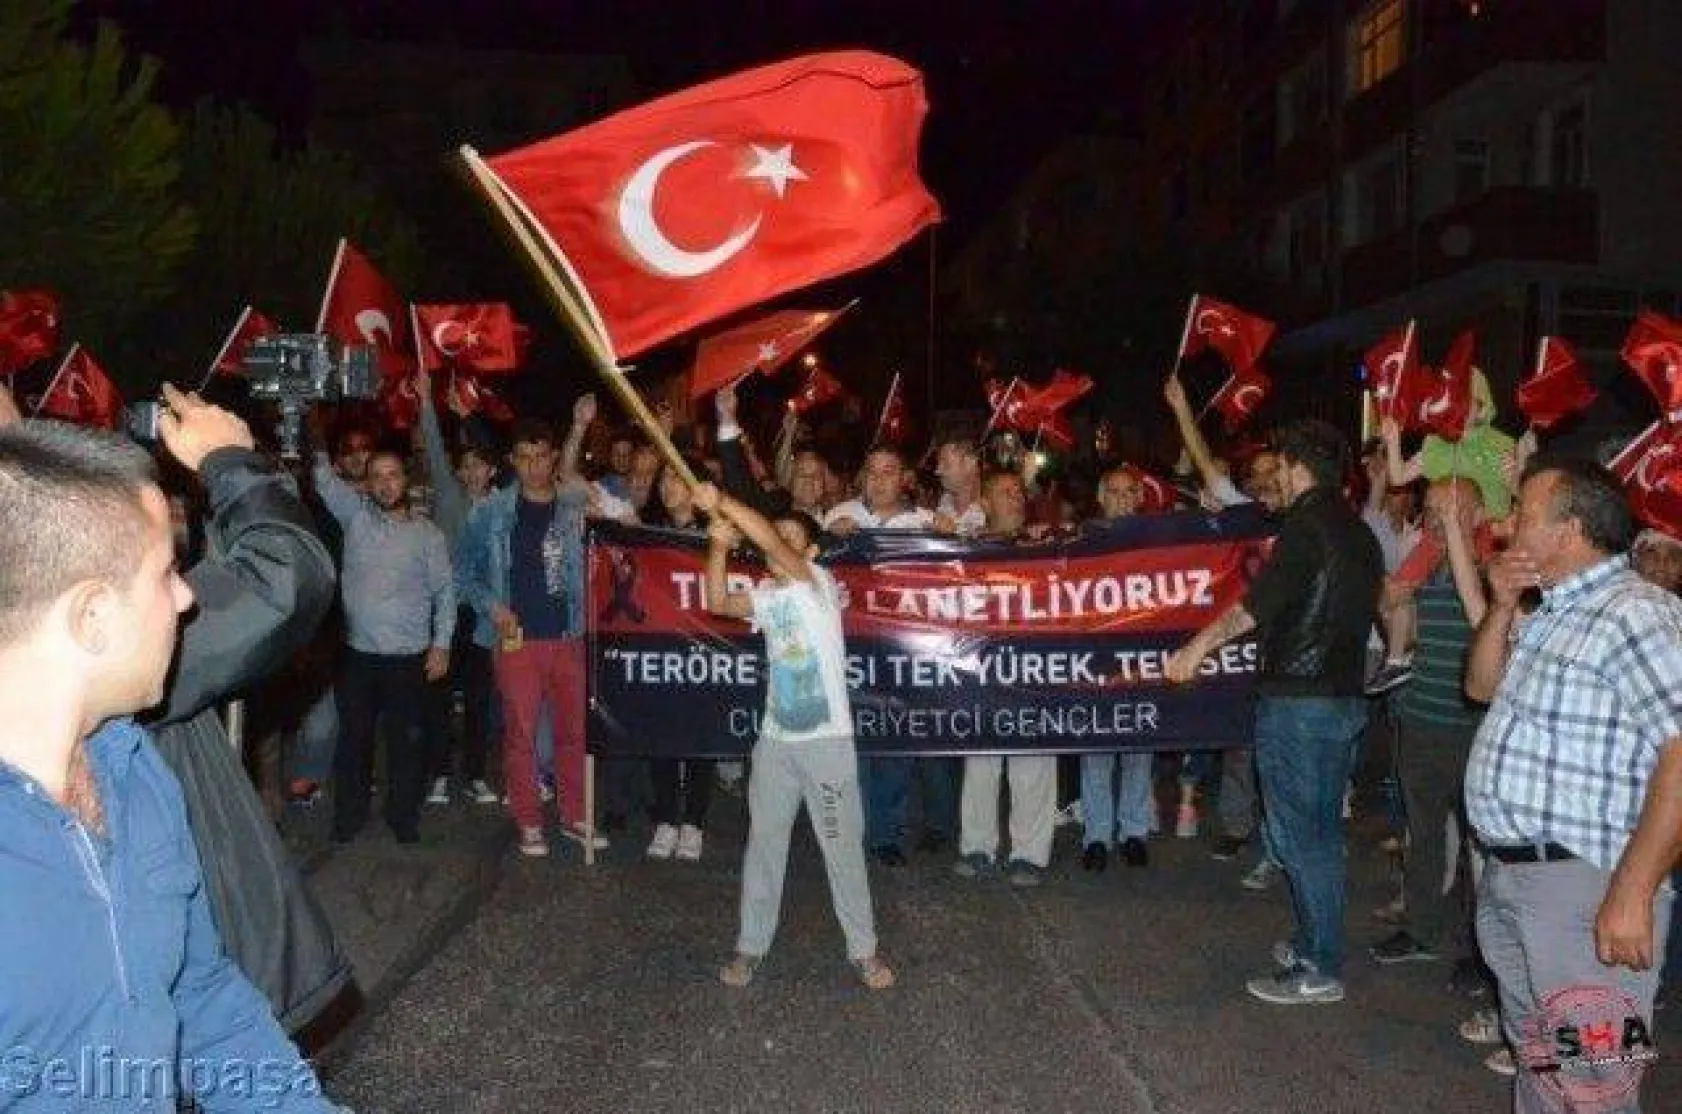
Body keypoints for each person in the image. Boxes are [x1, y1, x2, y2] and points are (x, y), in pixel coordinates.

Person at [0, 407, 342, 1111]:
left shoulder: (131, 766)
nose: (188, 598)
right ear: (92, 618)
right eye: (165, 575)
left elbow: (202, 996)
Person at [1464, 459, 1681, 1113]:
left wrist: (1634, 891)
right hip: (1517, 878)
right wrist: (1501, 608)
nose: (1507, 526)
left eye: (1524, 515)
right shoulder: (1556, 611)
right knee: (1544, 1064)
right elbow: (1480, 687)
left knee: (1593, 1085)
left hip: (1584, 887)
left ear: (1570, 530)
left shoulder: (1637, 613)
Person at [1168, 419, 1383, 1005]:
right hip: (1339, 700)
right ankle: (1316, 939)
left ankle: (1320, 965)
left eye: (1280, 467)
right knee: (1319, 833)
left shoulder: (1306, 528)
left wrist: (1195, 649)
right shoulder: (1357, 531)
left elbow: (1253, 608)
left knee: (1302, 837)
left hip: (1300, 703)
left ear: (1296, 467)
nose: (1275, 480)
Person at [692, 482, 894, 991]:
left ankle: (864, 949)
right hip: (775, 743)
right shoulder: (768, 598)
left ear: (810, 552)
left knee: (841, 849)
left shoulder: (817, 585)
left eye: (788, 538)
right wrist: (717, 544)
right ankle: (750, 946)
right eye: (775, 536)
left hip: (827, 745)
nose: (776, 545)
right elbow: (716, 600)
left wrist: (723, 501)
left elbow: (765, 538)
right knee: (763, 846)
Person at [458, 400, 602, 858]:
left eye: (542, 457)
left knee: (574, 732)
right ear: (512, 461)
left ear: (553, 458)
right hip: (516, 638)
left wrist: (578, 427)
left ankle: (575, 814)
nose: (534, 466)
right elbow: (462, 572)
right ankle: (528, 820)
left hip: (568, 635)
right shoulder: (491, 511)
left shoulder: (573, 505)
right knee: (520, 734)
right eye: (524, 458)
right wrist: (492, 606)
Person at [312, 437, 456, 846]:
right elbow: (323, 479)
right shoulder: (355, 518)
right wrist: (315, 433)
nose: (385, 484)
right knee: (353, 741)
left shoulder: (428, 535)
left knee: (406, 743)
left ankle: (403, 817)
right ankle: (348, 817)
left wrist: (442, 644)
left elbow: (445, 592)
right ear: (367, 482)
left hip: (408, 658)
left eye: (393, 475)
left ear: (405, 480)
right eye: (377, 476)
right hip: (358, 656)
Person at [955, 469, 1060, 887]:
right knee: (981, 761)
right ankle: (977, 846)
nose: (1016, 498)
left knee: (1032, 761)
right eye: (1005, 492)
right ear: (985, 502)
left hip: (1032, 667)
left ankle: (1028, 854)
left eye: (1019, 492)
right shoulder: (969, 547)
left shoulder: (1047, 544)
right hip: (984, 668)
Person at [1079, 464, 1155, 871]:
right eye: (1114, 491)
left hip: (1140, 657)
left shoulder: (1159, 540)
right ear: (1100, 496)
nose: (1123, 500)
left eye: (1130, 492)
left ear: (1140, 498)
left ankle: (1134, 832)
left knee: (1138, 748)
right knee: (1097, 750)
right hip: (1097, 658)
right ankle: (1096, 836)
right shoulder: (1082, 540)